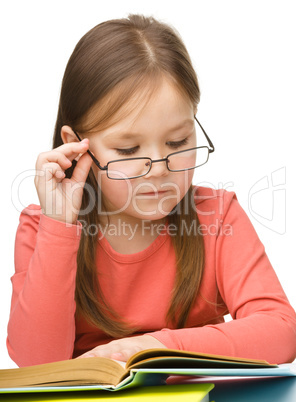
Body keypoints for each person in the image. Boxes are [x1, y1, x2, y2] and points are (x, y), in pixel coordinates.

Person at [7, 14, 296, 368]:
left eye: (177, 141)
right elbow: (37, 363)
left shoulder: (217, 216)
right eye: (128, 151)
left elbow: (281, 332)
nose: (159, 168)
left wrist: (155, 346)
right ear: (76, 147)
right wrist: (59, 226)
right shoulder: (43, 227)